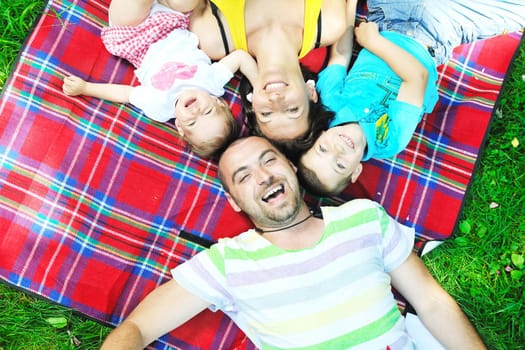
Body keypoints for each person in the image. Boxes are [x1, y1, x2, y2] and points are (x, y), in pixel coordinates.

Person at [100, 136, 486, 349]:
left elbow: (430, 302)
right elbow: (139, 329)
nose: (264, 176)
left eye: (269, 160)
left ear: (292, 170)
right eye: (244, 176)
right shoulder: (228, 263)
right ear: (235, 202)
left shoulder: (362, 218)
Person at [298, 0, 525, 196]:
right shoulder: (389, 140)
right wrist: (372, 43)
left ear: (319, 136)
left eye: (323, 149)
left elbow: (340, 55)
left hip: (390, 16)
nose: (338, 148)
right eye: (339, 165)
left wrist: (350, 6)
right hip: (436, 31)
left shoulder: (330, 106)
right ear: (355, 171)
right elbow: (417, 77)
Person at [63, 0, 258, 159]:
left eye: (192, 123)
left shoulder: (160, 106)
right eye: (207, 111)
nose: (196, 112)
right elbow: (241, 57)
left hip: (134, 34)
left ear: (180, 128)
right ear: (218, 102)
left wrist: (86, 88)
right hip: (171, 19)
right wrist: (258, 89)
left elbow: (126, 94)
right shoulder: (212, 82)